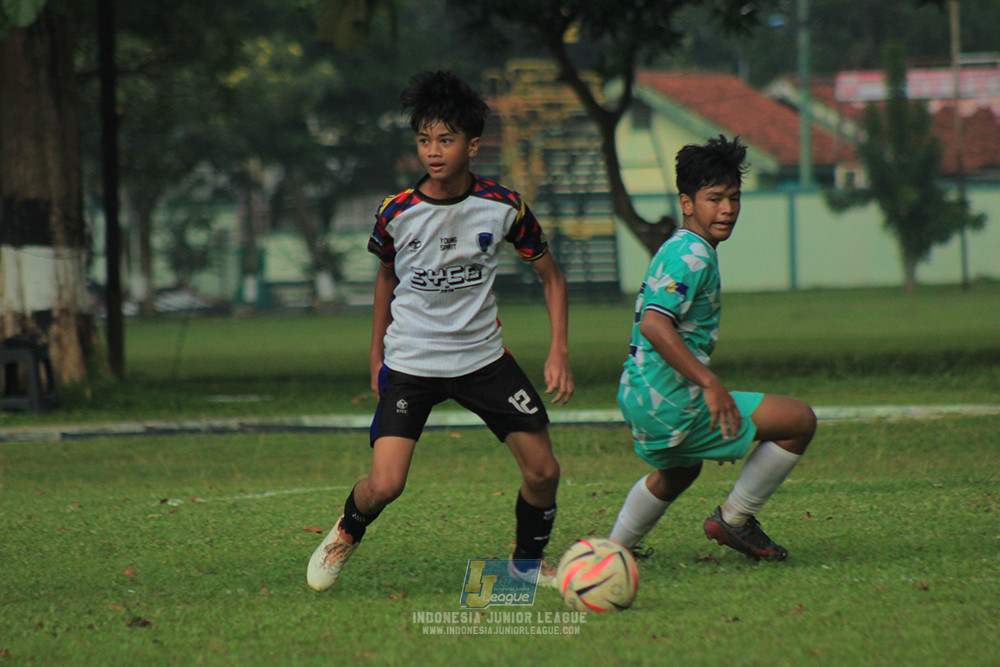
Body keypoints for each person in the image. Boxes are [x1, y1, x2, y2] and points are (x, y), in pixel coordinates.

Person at [307, 70, 574, 592]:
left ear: (472, 144)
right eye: (425, 139)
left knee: (544, 472)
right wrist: (376, 355)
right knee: (385, 484)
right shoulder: (396, 213)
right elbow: (387, 277)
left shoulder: (504, 206)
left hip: (483, 360)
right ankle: (347, 529)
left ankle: (524, 564)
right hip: (412, 361)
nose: (434, 151)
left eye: (446, 140)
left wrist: (558, 349)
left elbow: (552, 276)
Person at [609, 135, 816, 561]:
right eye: (714, 198)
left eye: (734, 198)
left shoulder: (681, 247)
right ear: (687, 203)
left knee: (679, 471)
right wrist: (709, 382)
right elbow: (653, 323)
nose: (726, 209)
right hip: (670, 400)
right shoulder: (694, 255)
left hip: (640, 394)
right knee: (799, 420)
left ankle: (611, 553)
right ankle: (735, 518)